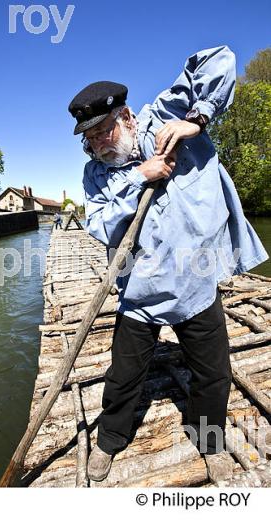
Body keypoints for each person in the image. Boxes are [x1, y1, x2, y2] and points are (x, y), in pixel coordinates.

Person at [68, 45, 269, 483]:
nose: (98, 143)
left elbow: (218, 58)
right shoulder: (96, 174)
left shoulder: (165, 117)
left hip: (195, 285)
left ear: (125, 117)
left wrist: (196, 119)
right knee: (122, 380)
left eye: (103, 130)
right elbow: (99, 224)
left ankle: (210, 443)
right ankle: (109, 442)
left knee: (214, 374)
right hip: (139, 291)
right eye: (90, 137)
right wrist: (142, 176)